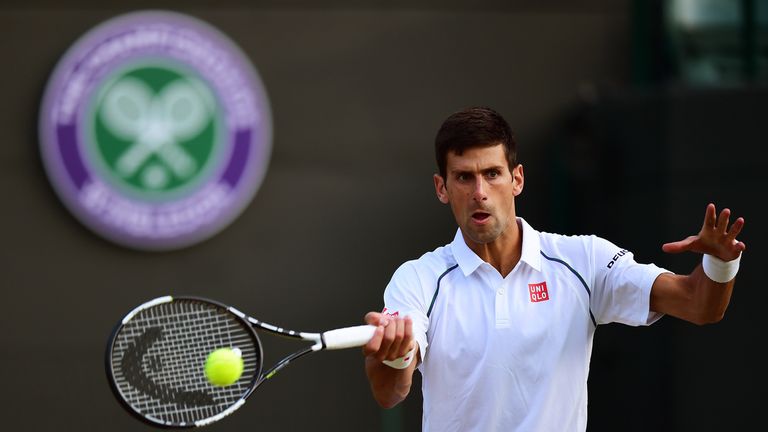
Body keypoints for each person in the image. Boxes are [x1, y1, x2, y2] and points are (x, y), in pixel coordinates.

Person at [360, 106, 746, 431]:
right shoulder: (418, 279)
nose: (479, 191)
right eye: (464, 177)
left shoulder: (584, 260)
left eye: (492, 173)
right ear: (442, 188)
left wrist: (720, 262)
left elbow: (700, 304)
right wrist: (394, 355)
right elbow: (389, 392)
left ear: (517, 179)